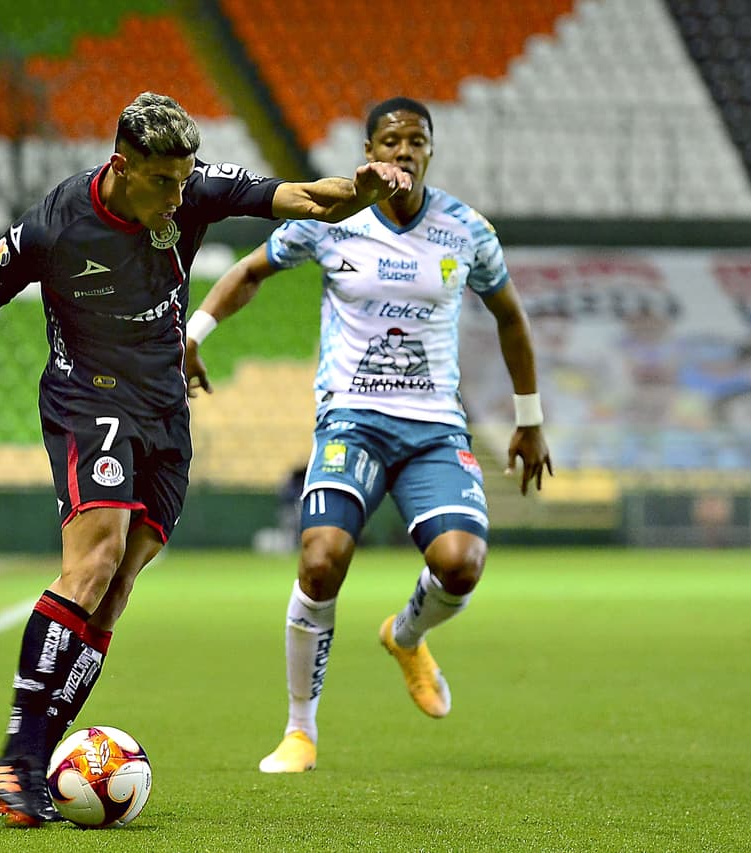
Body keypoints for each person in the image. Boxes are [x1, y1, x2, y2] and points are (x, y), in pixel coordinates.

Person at [0, 91, 410, 827]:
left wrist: (354, 191)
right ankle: (16, 753)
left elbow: (299, 196)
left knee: (119, 583)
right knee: (94, 559)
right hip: (88, 400)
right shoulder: (53, 225)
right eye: (165, 183)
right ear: (122, 166)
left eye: (186, 180)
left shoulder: (190, 192)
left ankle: (33, 759)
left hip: (165, 411)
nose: (180, 197)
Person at [183, 97, 553, 774]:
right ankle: (300, 730)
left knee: (461, 563)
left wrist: (529, 418)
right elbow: (248, 272)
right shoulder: (333, 220)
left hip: (434, 429)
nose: (404, 150)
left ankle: (405, 634)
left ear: (430, 152)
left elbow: (511, 318)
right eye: (391, 140)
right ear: (369, 152)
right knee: (321, 559)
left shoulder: (465, 230)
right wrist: (194, 334)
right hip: (350, 419)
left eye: (416, 140)